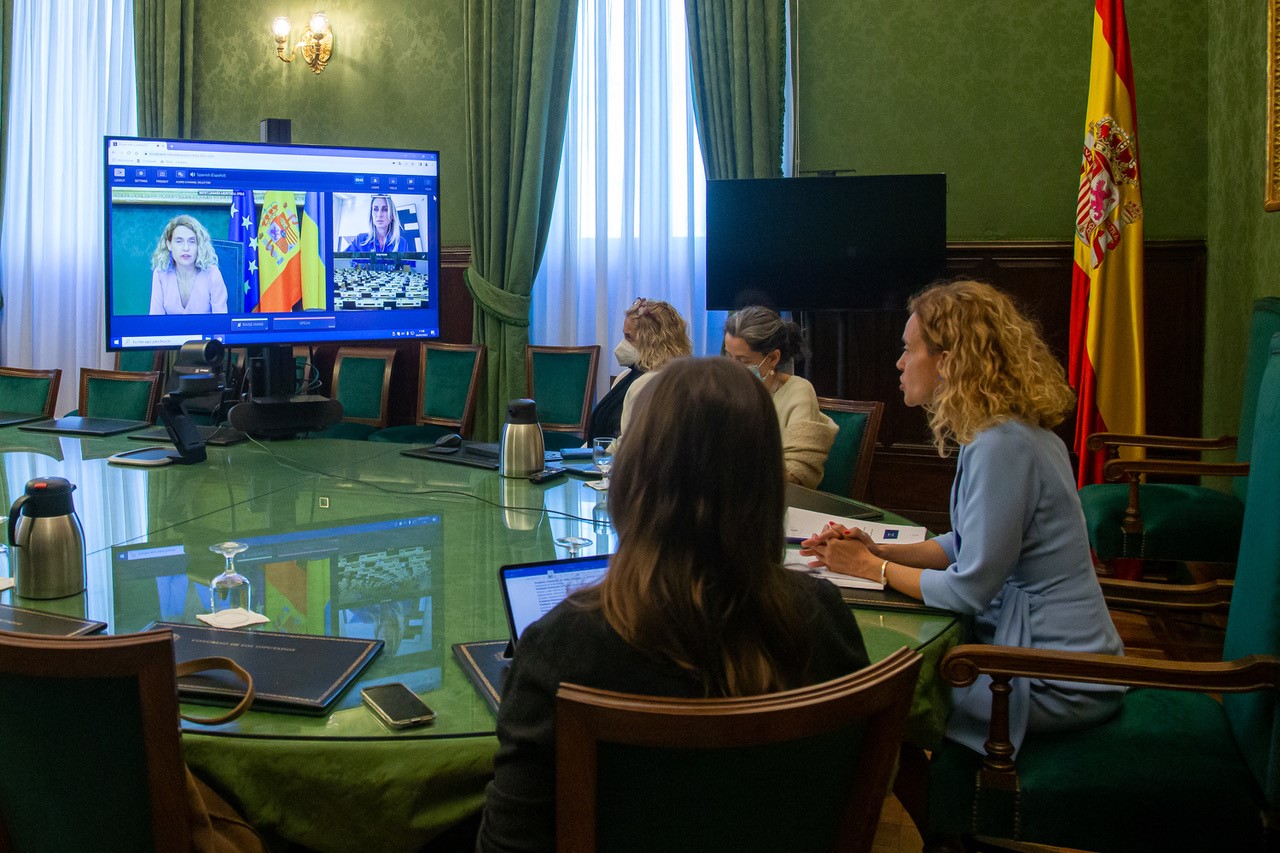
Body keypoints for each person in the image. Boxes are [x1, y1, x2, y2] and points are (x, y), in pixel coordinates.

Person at [478, 358, 871, 853]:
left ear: (633, 476)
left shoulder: (560, 646)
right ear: (769, 479)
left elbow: (508, 844)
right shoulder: (825, 618)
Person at [800, 279, 1125, 762]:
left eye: (909, 350)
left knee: (870, 697)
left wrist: (871, 570)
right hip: (1051, 657)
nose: (900, 363)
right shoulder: (1007, 434)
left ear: (949, 360)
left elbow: (971, 588)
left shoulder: (1000, 446)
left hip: (1053, 677)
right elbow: (965, 545)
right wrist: (877, 549)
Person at [723, 305, 836, 488]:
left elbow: (797, 472)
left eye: (744, 361)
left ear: (773, 358)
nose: (734, 369)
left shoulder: (798, 392)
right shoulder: (723, 391)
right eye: (729, 357)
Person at [612, 298, 692, 439]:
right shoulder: (624, 377)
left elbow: (629, 443)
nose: (622, 345)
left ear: (652, 341)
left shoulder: (649, 384)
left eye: (629, 337)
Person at [149, 215, 228, 315]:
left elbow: (220, 323)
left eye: (192, 241)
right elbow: (156, 321)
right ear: (169, 244)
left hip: (206, 331)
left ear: (199, 245)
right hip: (170, 331)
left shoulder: (212, 274)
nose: (186, 248)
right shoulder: (160, 274)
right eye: (179, 241)